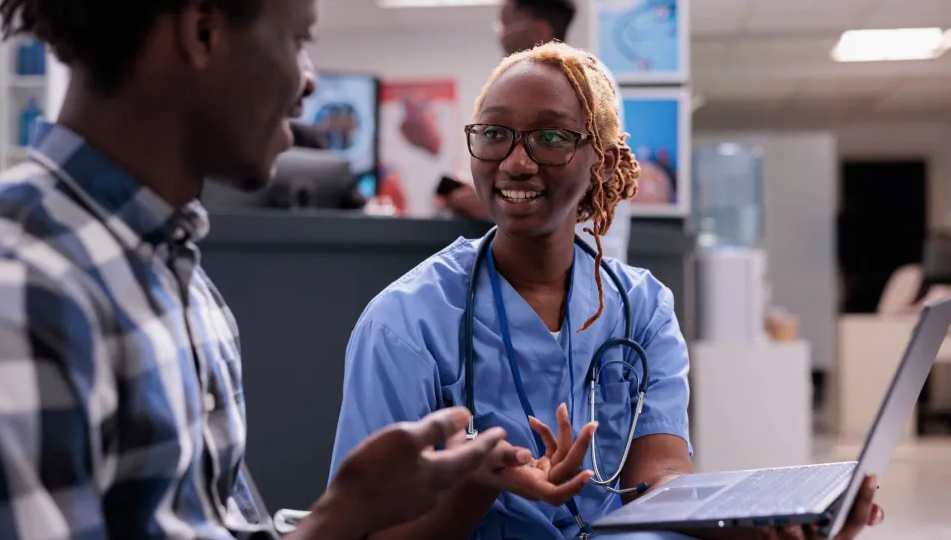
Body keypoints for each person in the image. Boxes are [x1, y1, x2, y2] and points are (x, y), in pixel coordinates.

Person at [0, 0, 519, 539]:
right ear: (202, 32)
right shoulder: (20, 294)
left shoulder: (185, 281)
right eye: (298, 40)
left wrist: (381, 509)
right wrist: (341, 516)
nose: (308, 81)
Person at [329, 42, 883, 540]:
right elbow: (372, 531)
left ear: (602, 161)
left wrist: (758, 529)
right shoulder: (404, 323)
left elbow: (657, 481)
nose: (517, 162)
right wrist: (480, 484)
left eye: (551, 138)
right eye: (495, 134)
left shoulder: (642, 308)